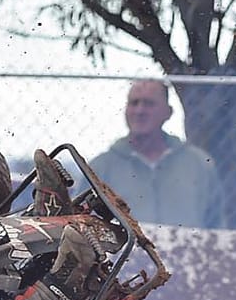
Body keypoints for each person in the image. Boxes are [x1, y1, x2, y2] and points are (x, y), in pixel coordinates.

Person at [93, 79, 224, 229]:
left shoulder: (199, 164)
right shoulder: (100, 168)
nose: (140, 111)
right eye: (134, 103)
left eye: (149, 104)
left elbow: (216, 225)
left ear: (168, 112)